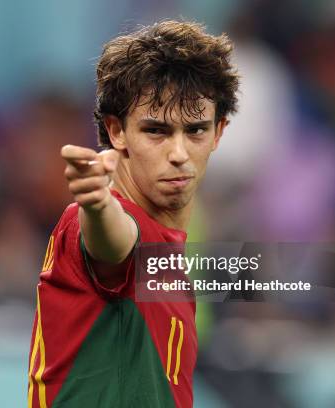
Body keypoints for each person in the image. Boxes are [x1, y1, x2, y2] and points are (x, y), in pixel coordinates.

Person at [27, 19, 240, 407]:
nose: (178, 153)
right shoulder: (92, 220)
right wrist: (96, 204)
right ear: (117, 130)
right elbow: (113, 245)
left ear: (219, 132)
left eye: (195, 131)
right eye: (156, 131)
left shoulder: (169, 259)